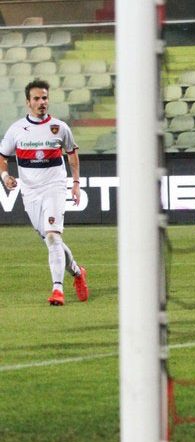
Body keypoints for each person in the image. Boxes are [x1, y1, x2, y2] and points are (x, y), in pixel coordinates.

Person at [0, 79, 88, 306]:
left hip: (54, 188)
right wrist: (5, 176)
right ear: (28, 102)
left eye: (45, 98)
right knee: (51, 240)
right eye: (37, 99)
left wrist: (76, 184)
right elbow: (2, 156)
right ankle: (78, 272)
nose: (42, 102)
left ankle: (57, 290)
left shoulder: (60, 127)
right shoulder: (16, 129)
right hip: (30, 193)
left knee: (52, 235)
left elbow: (72, 155)